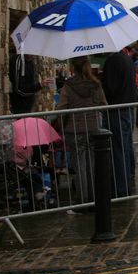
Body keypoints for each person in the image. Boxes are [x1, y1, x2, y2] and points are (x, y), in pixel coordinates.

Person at [56, 56, 108, 203]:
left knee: (80, 167)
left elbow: (61, 108)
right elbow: (104, 104)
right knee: (91, 165)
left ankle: (83, 200)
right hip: (93, 127)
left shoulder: (68, 86)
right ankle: (93, 198)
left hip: (74, 129)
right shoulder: (96, 84)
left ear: (73, 68)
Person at [101, 47, 138, 197]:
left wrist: (101, 80)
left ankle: (121, 187)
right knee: (126, 146)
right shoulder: (127, 58)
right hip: (127, 108)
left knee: (119, 149)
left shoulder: (112, 61)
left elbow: (110, 88)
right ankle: (128, 179)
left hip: (116, 109)